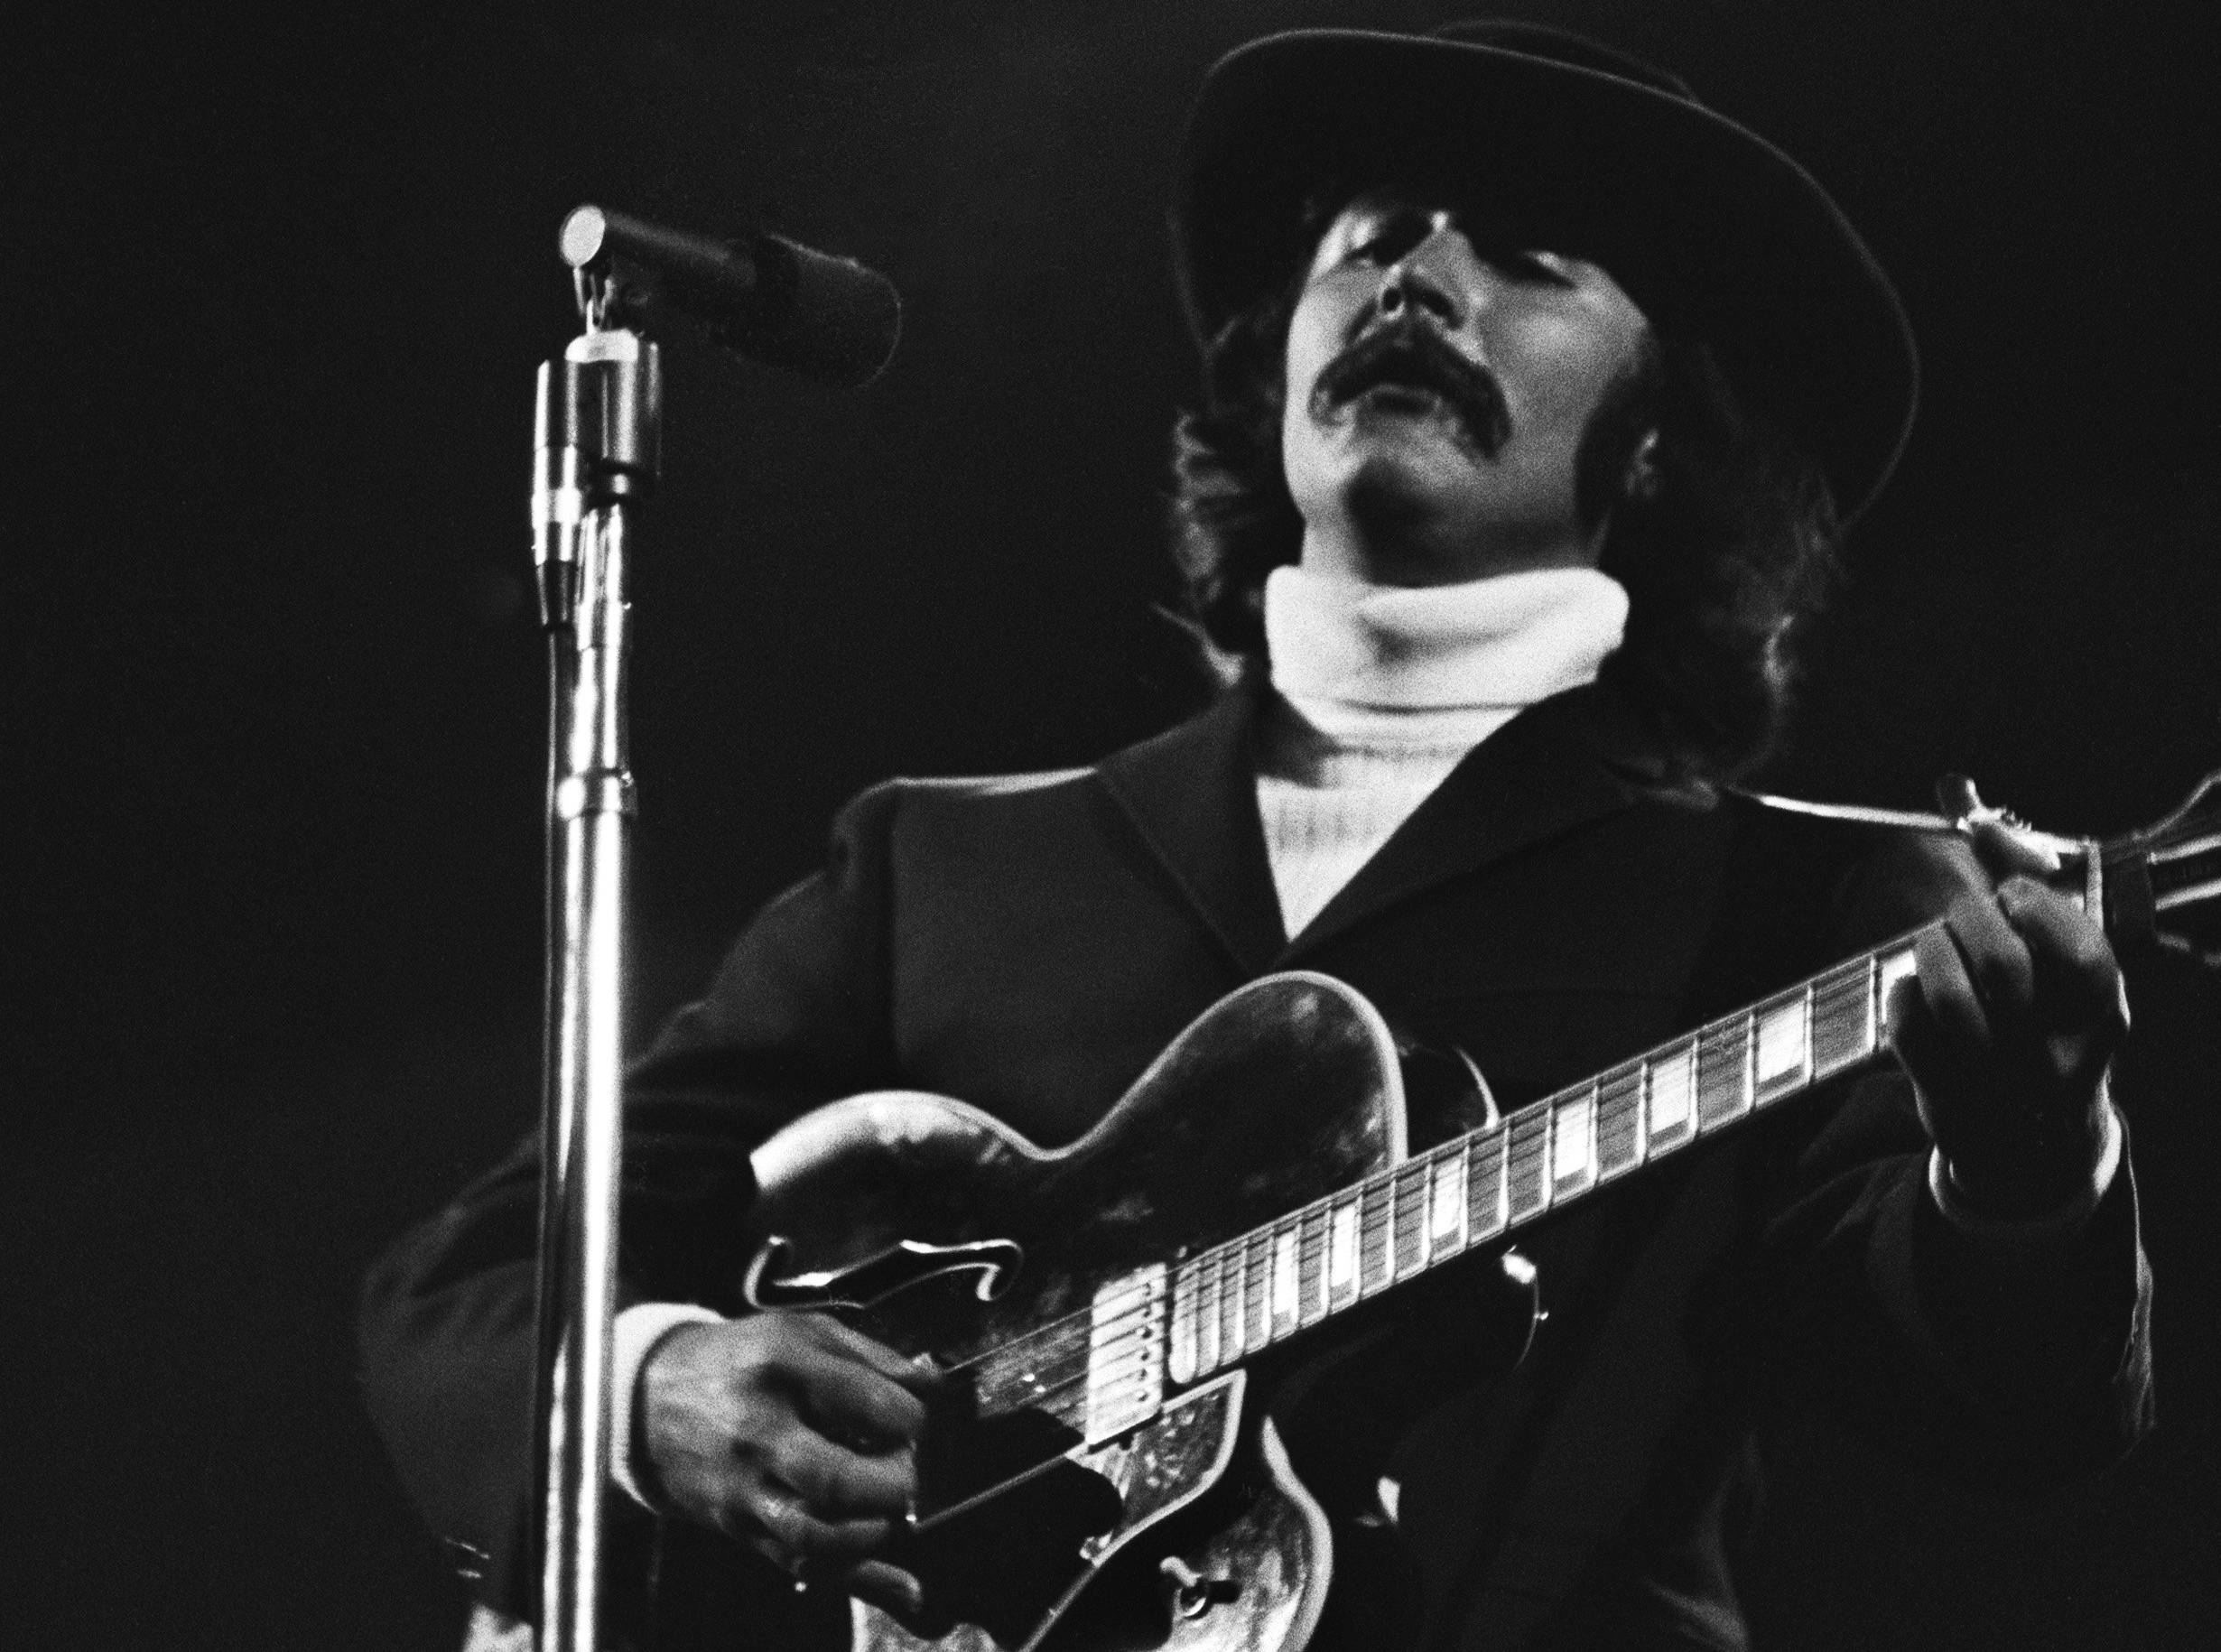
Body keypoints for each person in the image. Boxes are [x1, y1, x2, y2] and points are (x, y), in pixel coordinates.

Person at [361, 22, 2153, 1652]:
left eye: (1525, 262)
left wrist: (2030, 1155)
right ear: (1267, 356)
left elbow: (2006, 1416)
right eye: (1370, 241)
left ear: (1666, 432)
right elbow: (461, 1285)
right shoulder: (938, 870)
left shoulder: (1813, 905)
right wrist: (644, 1382)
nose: (1422, 282)